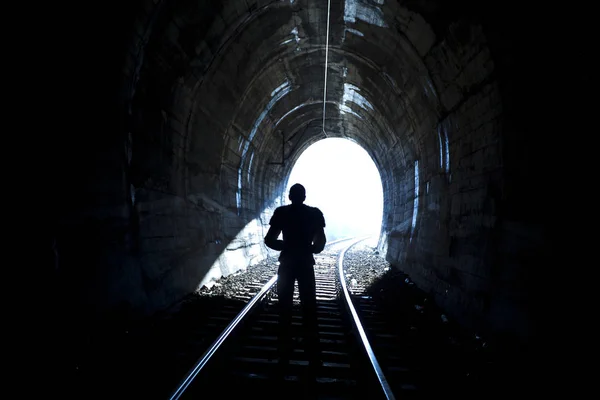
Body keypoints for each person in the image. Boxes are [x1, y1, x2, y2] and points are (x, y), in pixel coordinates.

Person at [264, 183, 326, 374]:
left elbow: (269, 240)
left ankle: (284, 348)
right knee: (309, 306)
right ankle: (313, 353)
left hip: (287, 264)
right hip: (306, 264)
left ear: (290, 197)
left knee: (285, 306)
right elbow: (321, 241)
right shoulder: (315, 213)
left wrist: (285, 246)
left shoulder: (282, 213)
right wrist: (310, 248)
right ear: (304, 197)